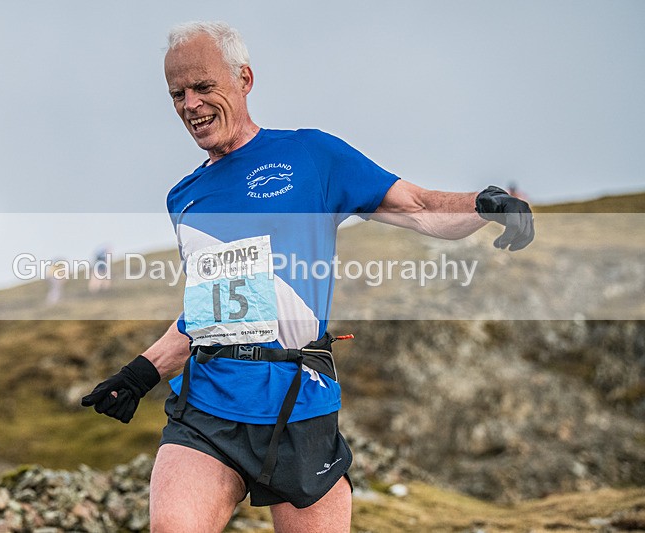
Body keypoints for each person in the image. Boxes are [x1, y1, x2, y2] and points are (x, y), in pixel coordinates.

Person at [81, 21, 534, 533]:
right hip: (209, 406)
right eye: (177, 94)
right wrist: (140, 373)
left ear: (244, 79)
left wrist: (486, 205)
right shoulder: (184, 198)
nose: (190, 104)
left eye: (204, 87)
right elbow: (210, 311)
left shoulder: (312, 156)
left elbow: (420, 206)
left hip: (299, 404)